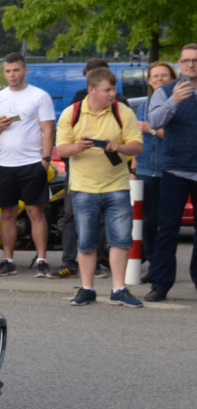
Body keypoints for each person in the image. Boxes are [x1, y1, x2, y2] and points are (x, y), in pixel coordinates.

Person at [55, 66, 144, 306]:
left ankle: (119, 289)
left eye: (114, 89)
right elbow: (61, 149)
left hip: (117, 185)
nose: (112, 93)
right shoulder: (71, 113)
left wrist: (120, 147)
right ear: (91, 90)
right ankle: (86, 288)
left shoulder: (122, 112)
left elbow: (137, 145)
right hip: (83, 187)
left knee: (121, 239)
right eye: (107, 89)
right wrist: (78, 147)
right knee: (86, 241)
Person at [50, 59, 126, 279]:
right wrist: (76, 145)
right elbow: (65, 136)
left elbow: (129, 139)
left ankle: (97, 262)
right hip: (79, 167)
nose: (90, 81)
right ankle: (68, 261)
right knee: (72, 214)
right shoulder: (78, 97)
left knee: (100, 218)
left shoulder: (119, 102)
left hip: (109, 170)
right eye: (88, 76)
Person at [0, 52, 56, 277]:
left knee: (36, 211)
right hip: (4, 164)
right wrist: (0, 127)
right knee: (8, 213)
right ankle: (8, 260)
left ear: (25, 71)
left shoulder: (39, 96)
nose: (12, 75)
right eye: (8, 71)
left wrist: (45, 161)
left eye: (16, 70)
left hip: (32, 162)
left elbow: (48, 130)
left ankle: (42, 261)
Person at [144, 42, 197, 302]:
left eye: (195, 60)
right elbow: (153, 122)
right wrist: (175, 101)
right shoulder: (165, 92)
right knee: (167, 229)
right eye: (186, 60)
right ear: (179, 64)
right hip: (175, 169)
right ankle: (161, 283)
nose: (190, 65)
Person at [136, 60, 178, 279]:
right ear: (149, 81)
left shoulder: (178, 102)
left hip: (168, 169)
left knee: (166, 223)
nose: (159, 79)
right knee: (148, 222)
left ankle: (164, 267)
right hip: (144, 170)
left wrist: (151, 129)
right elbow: (135, 138)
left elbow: (175, 136)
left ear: (172, 79)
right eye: (155, 76)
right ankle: (154, 266)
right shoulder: (144, 104)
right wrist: (134, 166)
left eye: (164, 75)